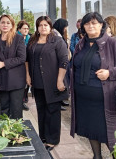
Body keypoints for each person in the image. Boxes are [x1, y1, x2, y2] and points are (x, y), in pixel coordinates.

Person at [70, 12, 116, 158]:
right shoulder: (82, 43)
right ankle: (97, 156)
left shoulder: (112, 43)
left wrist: (109, 72)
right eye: (87, 23)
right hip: (84, 99)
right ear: (83, 27)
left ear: (101, 25)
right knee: (91, 129)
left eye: (94, 23)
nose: (91, 26)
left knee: (110, 134)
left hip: (105, 100)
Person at [26, 16, 69, 151]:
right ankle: (43, 137)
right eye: (40, 25)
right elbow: (27, 60)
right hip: (37, 82)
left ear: (50, 27)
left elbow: (64, 60)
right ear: (37, 27)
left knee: (53, 111)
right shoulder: (32, 41)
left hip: (53, 82)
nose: (43, 27)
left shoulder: (57, 41)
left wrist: (60, 80)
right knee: (41, 110)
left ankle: (52, 140)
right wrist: (28, 75)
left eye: (46, 25)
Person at [0, 15, 26, 119]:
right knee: (4, 110)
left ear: (12, 25)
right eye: (2, 22)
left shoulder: (18, 38)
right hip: (2, 81)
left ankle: (17, 135)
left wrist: (3, 63)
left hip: (16, 81)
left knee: (16, 111)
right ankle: (5, 134)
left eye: (7, 22)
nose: (5, 25)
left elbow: (22, 58)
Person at [53, 18, 70, 110]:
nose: (66, 29)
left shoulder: (58, 33)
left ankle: (61, 100)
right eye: (65, 27)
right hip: (58, 64)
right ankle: (59, 102)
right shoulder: (55, 34)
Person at [17, 20, 31, 111]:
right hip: (19, 65)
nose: (26, 30)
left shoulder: (30, 38)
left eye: (27, 28)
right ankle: (20, 102)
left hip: (28, 63)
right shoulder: (16, 38)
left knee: (27, 83)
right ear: (19, 29)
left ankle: (24, 100)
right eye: (24, 28)